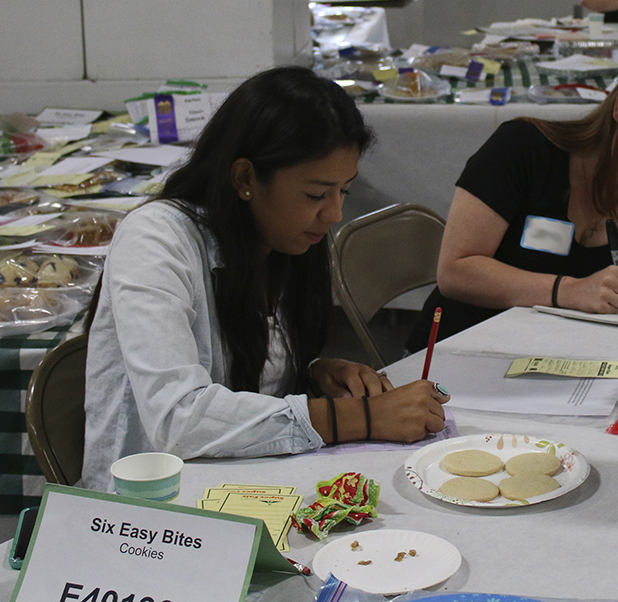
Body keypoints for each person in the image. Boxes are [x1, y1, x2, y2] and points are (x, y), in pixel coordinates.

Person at [81, 67, 448, 492]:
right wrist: (360, 417)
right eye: (316, 194)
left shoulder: (277, 240)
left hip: (248, 485)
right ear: (245, 179)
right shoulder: (156, 240)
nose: (333, 214)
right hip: (148, 517)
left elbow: (242, 369)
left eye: (344, 191)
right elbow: (178, 420)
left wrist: (310, 374)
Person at [408, 52, 618, 349]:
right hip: (458, 350)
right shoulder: (522, 150)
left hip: (554, 351)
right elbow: (455, 272)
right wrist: (570, 291)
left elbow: (576, 255)